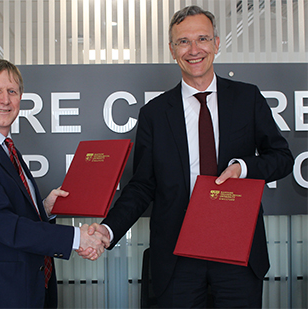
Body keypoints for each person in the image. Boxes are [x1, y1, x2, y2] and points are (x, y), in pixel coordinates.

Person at [80, 5, 294, 308]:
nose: (194, 49)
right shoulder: (154, 114)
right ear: (172, 49)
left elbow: (282, 157)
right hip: (177, 257)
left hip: (238, 252)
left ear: (217, 44)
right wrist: (107, 229)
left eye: (202, 39)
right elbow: (142, 185)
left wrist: (242, 168)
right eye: (183, 42)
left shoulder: (247, 98)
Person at [0, 58, 108, 308]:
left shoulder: (7, 150)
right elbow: (4, 225)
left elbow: (11, 211)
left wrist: (44, 208)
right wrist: (78, 238)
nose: (5, 99)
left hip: (26, 289)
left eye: (12, 91)